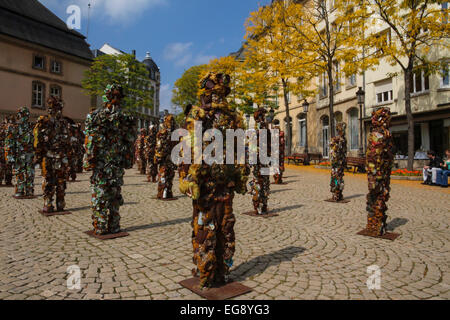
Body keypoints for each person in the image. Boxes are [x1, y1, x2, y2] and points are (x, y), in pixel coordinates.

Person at [84, 84, 137, 235]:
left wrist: (127, 159)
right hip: (101, 163)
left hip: (115, 163)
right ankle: (101, 225)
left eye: (118, 97)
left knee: (114, 195)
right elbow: (89, 140)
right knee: (101, 195)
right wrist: (89, 161)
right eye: (113, 96)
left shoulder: (125, 118)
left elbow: (130, 140)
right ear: (107, 97)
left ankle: (113, 224)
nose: (116, 100)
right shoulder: (95, 116)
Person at [34, 97, 71, 213]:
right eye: (51, 106)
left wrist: (68, 154)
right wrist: (39, 154)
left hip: (60, 156)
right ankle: (48, 202)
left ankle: (60, 202)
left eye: (56, 107)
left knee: (61, 181)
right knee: (49, 180)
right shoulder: (43, 121)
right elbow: (37, 139)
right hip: (49, 155)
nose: (54, 109)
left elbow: (68, 141)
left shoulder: (64, 123)